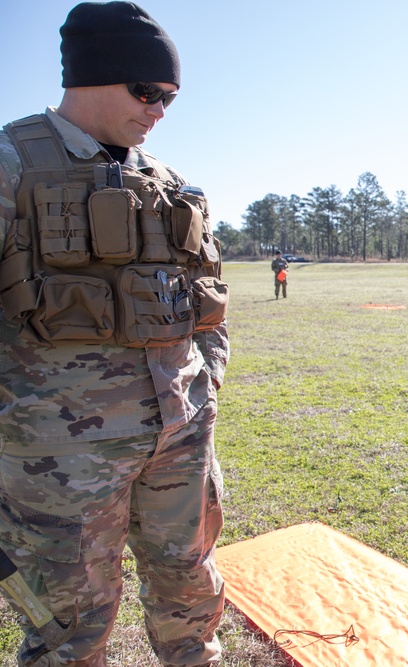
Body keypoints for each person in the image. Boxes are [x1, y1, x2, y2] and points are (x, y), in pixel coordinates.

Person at [0, 3, 230, 665]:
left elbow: (211, 307)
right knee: (68, 631)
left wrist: (202, 390)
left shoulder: (170, 185)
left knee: (190, 597)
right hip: (58, 462)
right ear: (91, 75)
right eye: (147, 91)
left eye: (171, 96)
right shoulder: (12, 166)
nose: (160, 109)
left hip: (178, 441)